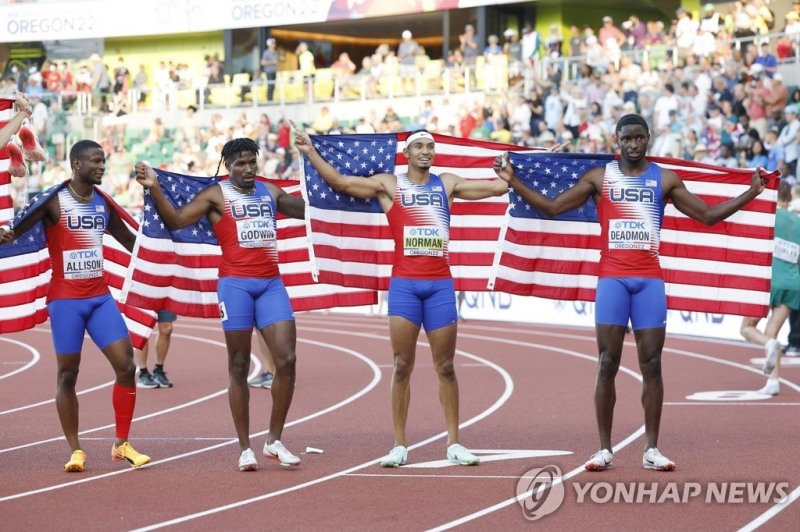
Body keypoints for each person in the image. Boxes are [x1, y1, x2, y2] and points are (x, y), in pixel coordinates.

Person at [493, 113, 768, 472]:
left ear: (648, 138)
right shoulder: (600, 177)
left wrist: (752, 192)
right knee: (607, 362)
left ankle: (651, 449)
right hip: (613, 280)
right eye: (627, 139)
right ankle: (604, 449)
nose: (633, 144)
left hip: (649, 281)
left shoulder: (664, 179)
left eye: (639, 138)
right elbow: (553, 207)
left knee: (651, 365)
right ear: (616, 140)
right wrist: (513, 180)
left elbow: (708, 216)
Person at [294, 126, 512, 468]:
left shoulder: (447, 184)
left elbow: (498, 187)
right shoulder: (389, 185)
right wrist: (310, 152)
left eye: (430, 146)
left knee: (446, 367)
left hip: (440, 286)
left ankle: (454, 443)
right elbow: (341, 182)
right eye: (419, 146)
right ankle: (399, 445)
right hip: (405, 286)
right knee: (401, 366)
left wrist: (527, 168)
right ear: (406, 153)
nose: (426, 151)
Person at [134, 138, 304, 471]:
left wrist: (329, 182)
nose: (248, 168)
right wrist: (154, 186)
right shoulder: (216, 194)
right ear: (228, 166)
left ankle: (274, 440)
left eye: (252, 162)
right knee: (238, 366)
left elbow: (308, 210)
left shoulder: (269, 191)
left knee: (287, 360)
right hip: (235, 286)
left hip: (271, 285)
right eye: (241, 163)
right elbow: (177, 220)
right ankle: (245, 448)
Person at [0, 140, 151, 472]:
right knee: (68, 374)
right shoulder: (54, 201)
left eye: (103, 161)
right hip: (66, 301)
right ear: (77, 164)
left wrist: (163, 253)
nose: (102, 166)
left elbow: (130, 241)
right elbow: (16, 231)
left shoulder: (102, 204)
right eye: (95, 161)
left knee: (127, 367)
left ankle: (121, 444)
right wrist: (6, 235)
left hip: (99, 298)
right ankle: (76, 449)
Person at [740, 181, 800, 396]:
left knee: (747, 329)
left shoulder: (768, 216)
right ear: (789, 198)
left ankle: (769, 345)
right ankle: (773, 381)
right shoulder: (798, 221)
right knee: (772, 332)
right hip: (793, 283)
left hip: (768, 281)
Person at [135, 310, 177, 388]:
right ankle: (143, 373)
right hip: (143, 302)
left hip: (163, 301)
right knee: (143, 329)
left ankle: (158, 370)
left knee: (167, 329)